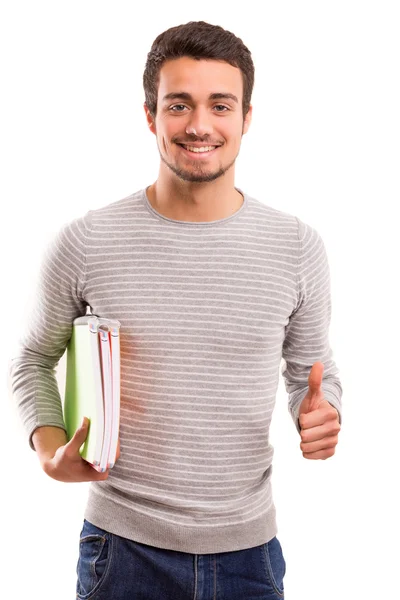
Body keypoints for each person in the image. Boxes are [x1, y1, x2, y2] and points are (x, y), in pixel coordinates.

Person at [9, 20, 342, 600]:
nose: (199, 125)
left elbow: (312, 372)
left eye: (220, 105)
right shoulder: (87, 240)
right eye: (179, 104)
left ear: (246, 118)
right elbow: (33, 358)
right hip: (122, 550)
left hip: (249, 557)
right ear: (150, 115)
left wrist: (321, 412)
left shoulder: (297, 246)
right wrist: (47, 450)